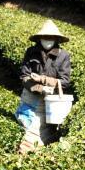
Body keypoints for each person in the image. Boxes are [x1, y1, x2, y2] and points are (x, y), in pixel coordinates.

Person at [16, 20, 72, 153]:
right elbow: (24, 76)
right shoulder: (31, 52)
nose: (48, 40)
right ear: (40, 38)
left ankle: (34, 147)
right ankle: (32, 147)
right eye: (45, 37)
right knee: (26, 122)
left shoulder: (63, 56)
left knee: (42, 127)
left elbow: (64, 81)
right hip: (30, 97)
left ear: (56, 39)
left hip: (49, 100)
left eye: (51, 38)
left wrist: (44, 80)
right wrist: (39, 88)